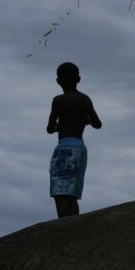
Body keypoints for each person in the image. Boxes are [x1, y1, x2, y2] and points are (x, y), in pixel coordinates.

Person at [46, 62, 102, 218]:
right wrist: (84, 120)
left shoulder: (58, 100)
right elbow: (98, 124)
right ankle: (74, 226)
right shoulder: (85, 99)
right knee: (72, 193)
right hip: (80, 147)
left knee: (59, 192)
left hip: (64, 148)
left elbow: (50, 128)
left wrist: (59, 126)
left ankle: (64, 228)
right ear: (79, 79)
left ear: (58, 81)